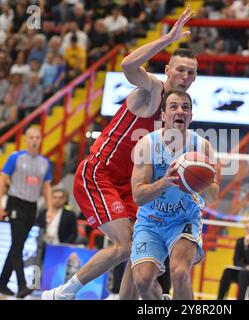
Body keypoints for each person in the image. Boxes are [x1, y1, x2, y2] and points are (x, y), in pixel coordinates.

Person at [41, 6, 197, 300]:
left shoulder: (177, 112)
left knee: (141, 245)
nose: (185, 76)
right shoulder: (152, 90)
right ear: (167, 70)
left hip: (127, 184)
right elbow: (127, 66)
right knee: (125, 245)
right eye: (180, 69)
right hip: (100, 173)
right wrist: (169, 38)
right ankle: (63, 292)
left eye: (191, 72)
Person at [130, 90, 219, 299]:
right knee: (142, 282)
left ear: (191, 116)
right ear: (163, 115)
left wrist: (197, 181)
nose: (180, 111)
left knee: (179, 273)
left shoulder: (201, 147)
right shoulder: (147, 145)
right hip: (150, 221)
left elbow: (213, 195)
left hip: (184, 219)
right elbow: (138, 196)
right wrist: (164, 182)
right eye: (173, 106)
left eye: (185, 107)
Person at [0, 127, 53, 299]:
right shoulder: (15, 157)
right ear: (26, 140)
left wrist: (49, 209)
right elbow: (2, 179)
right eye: (31, 137)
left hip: (31, 206)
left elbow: (47, 187)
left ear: (41, 139)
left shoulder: (44, 162)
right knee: (18, 244)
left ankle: (2, 283)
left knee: (17, 245)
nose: (34, 140)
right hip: (15, 203)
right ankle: (21, 285)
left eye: (37, 137)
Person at [217, 220, 249, 300]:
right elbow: (236, 261)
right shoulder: (240, 241)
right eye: (246, 228)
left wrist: (247, 246)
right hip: (245, 271)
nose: (248, 231)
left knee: (243, 274)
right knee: (227, 271)